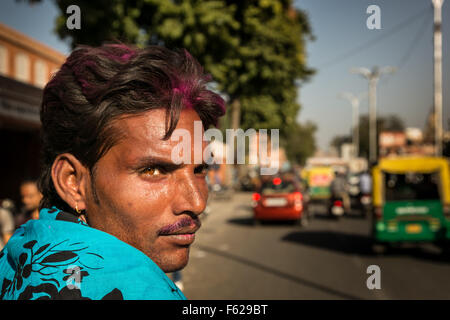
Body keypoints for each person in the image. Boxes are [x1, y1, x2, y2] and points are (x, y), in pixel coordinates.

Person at [0, 43, 225, 300]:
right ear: (73, 182)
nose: (196, 202)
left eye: (200, 169)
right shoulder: (138, 290)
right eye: (154, 170)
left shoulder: (17, 256)